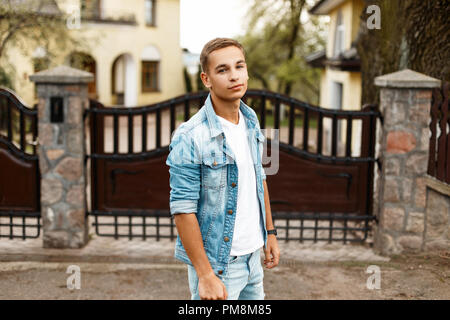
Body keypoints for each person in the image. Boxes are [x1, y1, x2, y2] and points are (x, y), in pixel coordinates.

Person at [166, 38, 280, 300]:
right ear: (206, 79)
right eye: (222, 70)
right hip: (219, 265)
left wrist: (270, 233)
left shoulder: (250, 121)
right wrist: (206, 275)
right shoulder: (190, 136)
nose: (234, 76)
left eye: (239, 66)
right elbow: (183, 210)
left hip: (253, 260)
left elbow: (258, 180)